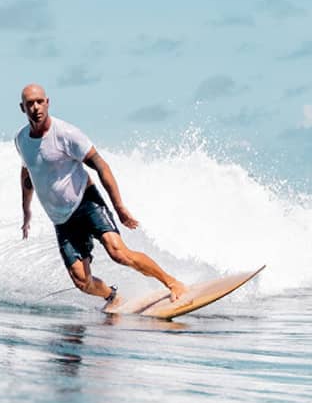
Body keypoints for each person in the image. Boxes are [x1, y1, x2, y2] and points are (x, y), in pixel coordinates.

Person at [16, 83, 187, 312]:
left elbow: (101, 166)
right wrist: (26, 211)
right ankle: (113, 297)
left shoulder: (66, 134)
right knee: (81, 281)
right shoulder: (21, 140)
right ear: (22, 108)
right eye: (30, 104)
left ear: (48, 102)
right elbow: (28, 172)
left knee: (118, 253)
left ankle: (173, 283)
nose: (36, 107)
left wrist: (119, 206)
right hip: (61, 219)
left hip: (86, 202)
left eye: (40, 101)